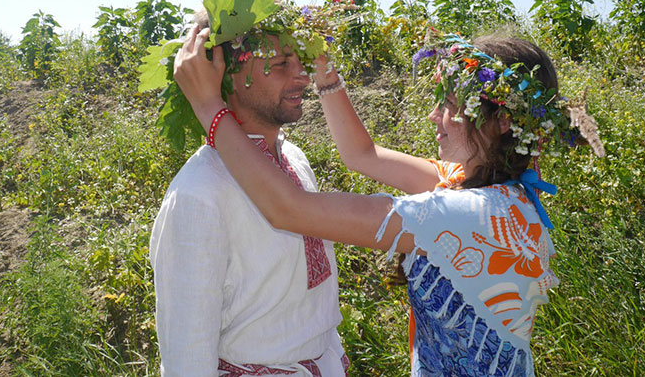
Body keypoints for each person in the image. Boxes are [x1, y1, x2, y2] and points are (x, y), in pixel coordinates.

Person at [174, 24, 604, 376]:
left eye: (451, 105)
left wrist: (210, 108)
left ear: (502, 121)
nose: (435, 116)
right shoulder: (502, 191)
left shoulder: (466, 214)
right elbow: (363, 155)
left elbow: (290, 209)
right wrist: (325, 75)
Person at [149, 3, 350, 376]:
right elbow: (187, 354)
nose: (302, 76)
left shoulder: (295, 158)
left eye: (299, 60)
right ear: (227, 78)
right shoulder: (198, 194)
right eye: (279, 66)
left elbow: (317, 306)